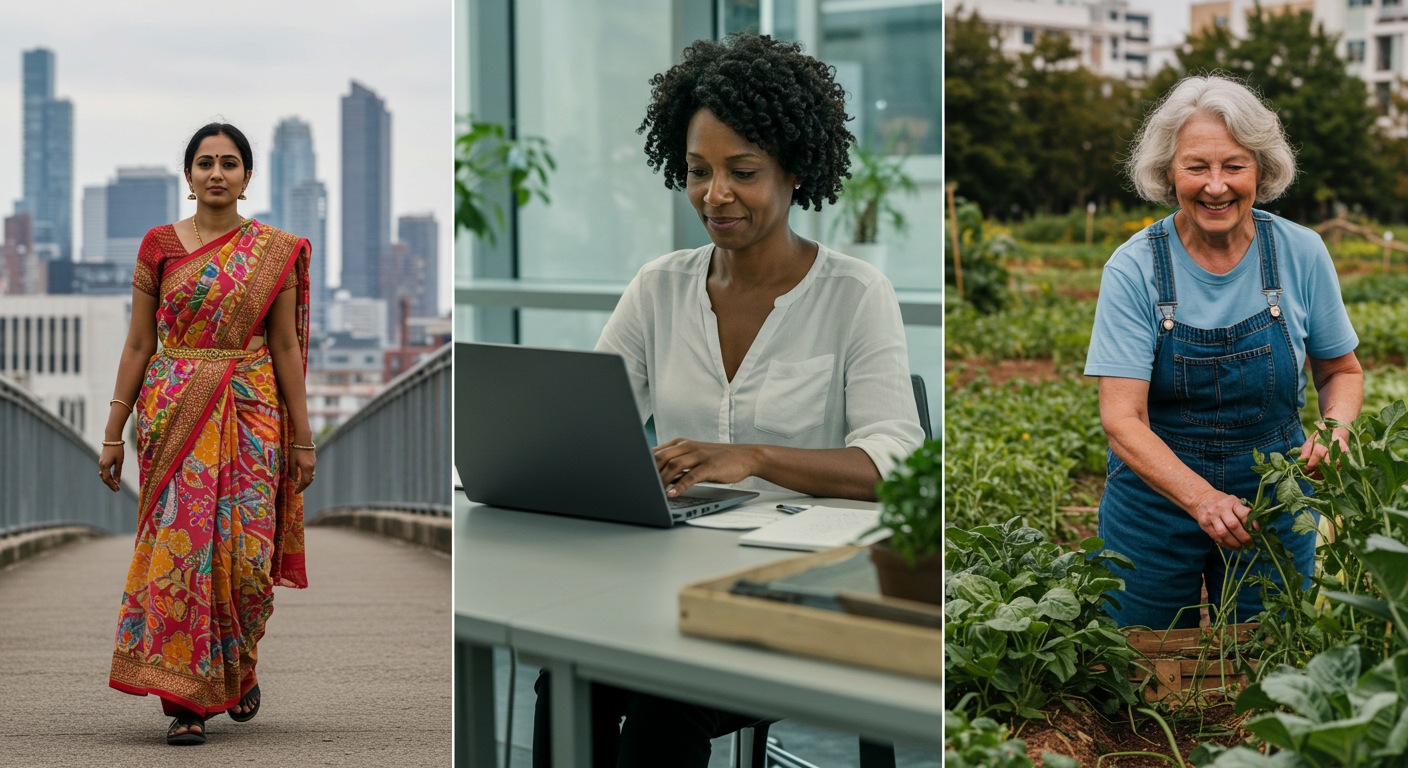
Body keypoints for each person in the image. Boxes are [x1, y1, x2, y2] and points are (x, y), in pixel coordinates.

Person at [530, 34, 925, 767]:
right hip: (666, 580)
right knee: (567, 680)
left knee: (664, 700)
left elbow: (896, 463)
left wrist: (752, 457)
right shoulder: (659, 287)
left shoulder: (854, 295)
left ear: (794, 169)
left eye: (742, 171)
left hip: (798, 595)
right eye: (697, 171)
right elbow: (586, 423)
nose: (716, 195)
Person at [1085, 76, 1363, 631]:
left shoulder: (1301, 252)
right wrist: (1201, 498)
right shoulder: (1135, 267)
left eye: (1234, 166)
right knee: (1141, 665)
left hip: (1272, 492)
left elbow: (1342, 372)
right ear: (1169, 173)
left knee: (1271, 659)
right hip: (1156, 497)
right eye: (1196, 167)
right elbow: (1121, 419)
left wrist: (1335, 429)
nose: (1216, 187)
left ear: (1261, 169)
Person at [98, 123, 317, 745]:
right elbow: (141, 341)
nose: (216, 173)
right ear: (188, 174)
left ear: (248, 177)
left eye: (229, 163)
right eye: (204, 163)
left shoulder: (276, 250)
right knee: (184, 551)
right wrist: (115, 431)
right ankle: (185, 702)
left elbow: (284, 345)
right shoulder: (159, 244)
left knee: (247, 559)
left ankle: (238, 668)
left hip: (253, 407)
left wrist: (302, 439)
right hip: (175, 409)